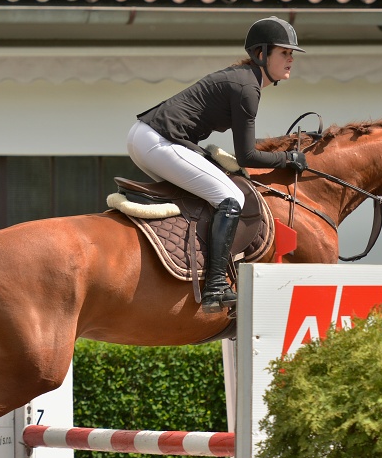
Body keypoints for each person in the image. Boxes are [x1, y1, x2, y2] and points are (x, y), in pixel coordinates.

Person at [127, 16, 309, 314]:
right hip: (158, 141)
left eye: (292, 54)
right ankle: (214, 286)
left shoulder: (244, 79)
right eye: (284, 52)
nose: (291, 59)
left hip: (148, 137)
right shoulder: (247, 87)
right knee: (231, 197)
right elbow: (247, 156)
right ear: (261, 54)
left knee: (212, 190)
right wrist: (288, 159)